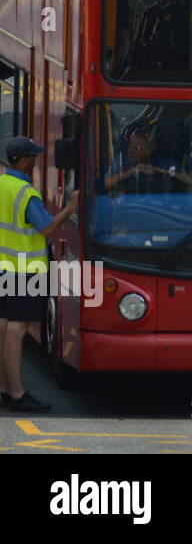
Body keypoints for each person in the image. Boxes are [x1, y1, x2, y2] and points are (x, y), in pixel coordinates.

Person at [0, 136, 77, 413]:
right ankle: (18, 394)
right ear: (22, 160)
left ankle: (6, 390)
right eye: (33, 156)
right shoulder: (26, 193)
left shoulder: (1, 184)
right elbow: (46, 228)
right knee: (16, 330)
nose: (35, 160)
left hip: (3, 267)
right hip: (26, 271)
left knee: (4, 327)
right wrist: (70, 208)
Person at [103, 121, 192, 194]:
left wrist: (157, 170)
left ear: (151, 147)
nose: (131, 152)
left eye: (137, 148)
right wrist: (133, 171)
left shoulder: (163, 162)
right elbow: (106, 183)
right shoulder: (123, 160)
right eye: (130, 147)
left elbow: (189, 180)